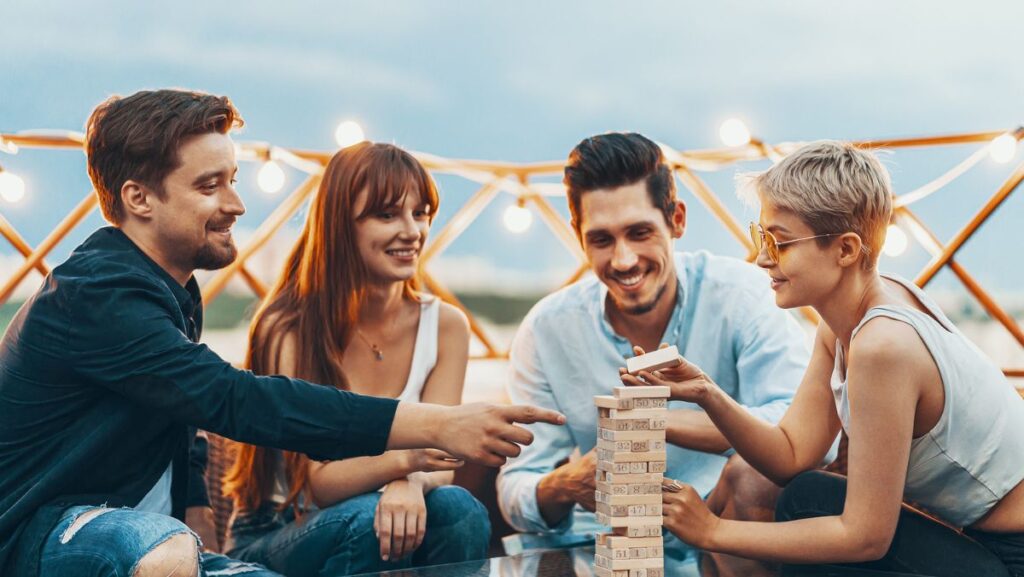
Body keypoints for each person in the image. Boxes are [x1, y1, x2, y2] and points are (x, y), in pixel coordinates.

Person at [0, 89, 564, 577]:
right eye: (209, 186)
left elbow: (181, 407)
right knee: (153, 545)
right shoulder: (99, 293)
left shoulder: (170, 289)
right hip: (42, 530)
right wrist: (437, 424)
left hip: (156, 532)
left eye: (234, 181)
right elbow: (234, 399)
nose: (237, 205)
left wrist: (196, 506)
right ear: (138, 198)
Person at [627, 141, 1024, 576]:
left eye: (780, 243)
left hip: (1011, 554)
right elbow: (792, 454)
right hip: (984, 541)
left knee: (813, 552)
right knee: (805, 496)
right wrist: (706, 392)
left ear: (847, 250)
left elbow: (865, 536)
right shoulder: (848, 319)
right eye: (762, 238)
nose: (762, 259)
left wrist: (712, 531)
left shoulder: (883, 346)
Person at [497, 132, 810, 553]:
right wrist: (566, 483)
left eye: (639, 232)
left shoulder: (743, 294)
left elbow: (800, 432)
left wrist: (651, 423)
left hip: (726, 539)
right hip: (596, 542)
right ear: (577, 234)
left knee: (754, 482)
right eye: (602, 240)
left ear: (677, 219)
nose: (623, 261)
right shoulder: (547, 327)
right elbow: (517, 488)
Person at [221, 142, 490, 576]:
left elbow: (442, 465)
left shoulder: (446, 326)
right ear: (340, 225)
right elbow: (318, 485)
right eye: (387, 215)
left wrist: (409, 481)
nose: (412, 230)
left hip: (380, 510)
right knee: (368, 519)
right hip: (278, 529)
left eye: (420, 213)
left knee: (461, 509)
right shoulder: (287, 328)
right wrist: (404, 466)